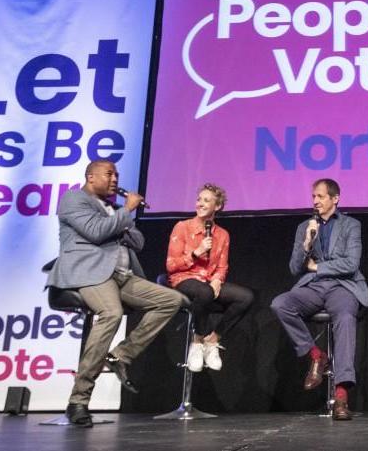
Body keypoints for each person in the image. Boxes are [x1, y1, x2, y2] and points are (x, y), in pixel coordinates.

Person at [46, 160, 184, 427]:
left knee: (171, 299)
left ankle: (120, 356)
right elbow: (96, 233)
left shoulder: (114, 209)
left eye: (117, 174)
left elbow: (138, 242)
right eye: (109, 174)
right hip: (88, 272)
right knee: (111, 313)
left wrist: (122, 219)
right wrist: (126, 214)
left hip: (121, 275)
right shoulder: (74, 199)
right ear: (90, 176)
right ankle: (78, 400)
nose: (114, 179)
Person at [270, 179, 368, 421]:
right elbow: (295, 268)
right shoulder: (305, 226)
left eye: (321, 197)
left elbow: (351, 264)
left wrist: (318, 266)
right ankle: (316, 355)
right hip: (313, 287)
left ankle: (341, 396)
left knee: (345, 318)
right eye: (314, 196)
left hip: (343, 286)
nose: (315, 201)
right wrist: (306, 244)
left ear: (335, 199)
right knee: (280, 304)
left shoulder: (350, 225)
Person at [166, 183, 254, 372]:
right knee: (204, 293)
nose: (200, 204)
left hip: (208, 281)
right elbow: (171, 265)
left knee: (245, 297)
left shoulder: (222, 235)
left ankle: (212, 340)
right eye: (199, 199)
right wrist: (196, 253)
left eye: (206, 200)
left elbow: (222, 266)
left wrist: (217, 280)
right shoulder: (182, 227)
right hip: (184, 278)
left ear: (218, 206)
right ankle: (196, 342)